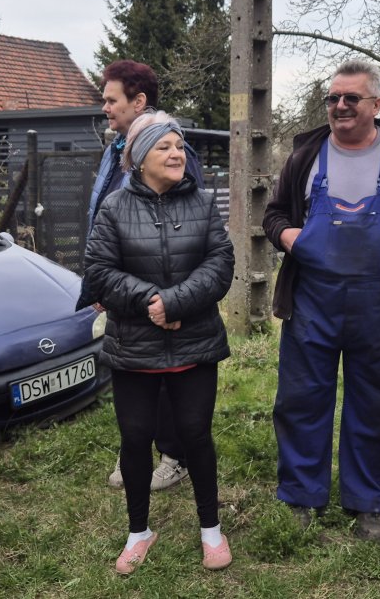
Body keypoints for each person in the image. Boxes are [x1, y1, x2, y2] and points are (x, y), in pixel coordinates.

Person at [263, 59, 380, 542]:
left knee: (374, 402)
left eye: (351, 98)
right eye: (333, 98)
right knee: (302, 399)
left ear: (377, 103)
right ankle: (302, 497)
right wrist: (291, 238)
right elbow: (275, 213)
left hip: (376, 303)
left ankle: (368, 504)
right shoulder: (305, 155)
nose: (340, 106)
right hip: (312, 299)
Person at [81, 110, 235, 574]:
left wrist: (176, 302)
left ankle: (211, 529)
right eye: (164, 146)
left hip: (194, 344)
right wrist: (150, 300)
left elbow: (220, 263)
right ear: (139, 158)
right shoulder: (113, 207)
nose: (176, 154)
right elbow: (100, 273)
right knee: (135, 439)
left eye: (179, 146)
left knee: (195, 435)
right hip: (134, 348)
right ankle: (138, 532)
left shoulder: (204, 204)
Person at [80, 59, 207, 493]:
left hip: (168, 294)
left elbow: (187, 228)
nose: (105, 108)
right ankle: (139, 445)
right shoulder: (116, 149)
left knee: (171, 374)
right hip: (128, 286)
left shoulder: (174, 150)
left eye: (111, 100)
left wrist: (173, 299)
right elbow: (104, 213)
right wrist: (103, 284)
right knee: (137, 368)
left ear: (139, 102)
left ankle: (174, 455)